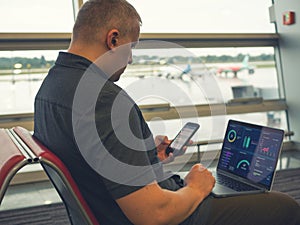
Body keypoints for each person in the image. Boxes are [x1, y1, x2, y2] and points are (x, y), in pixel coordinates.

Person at [33, 0, 300, 224]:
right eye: (131, 48)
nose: (130, 59)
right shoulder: (102, 99)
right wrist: (195, 188)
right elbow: (153, 215)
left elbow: (93, 157)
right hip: (160, 213)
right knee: (285, 206)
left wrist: (143, 155)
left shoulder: (51, 87)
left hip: (107, 209)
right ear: (113, 39)